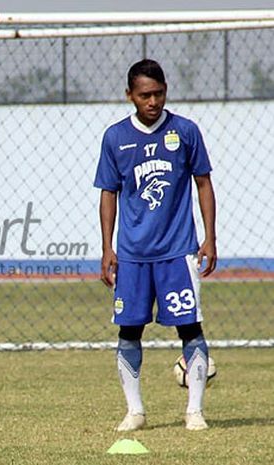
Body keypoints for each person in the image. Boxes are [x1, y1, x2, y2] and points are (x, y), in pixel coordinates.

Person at [93, 59, 217, 432]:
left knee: (190, 329)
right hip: (132, 256)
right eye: (145, 95)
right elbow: (108, 193)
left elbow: (203, 183)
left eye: (159, 93)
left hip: (178, 252)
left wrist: (209, 237)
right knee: (129, 331)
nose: (153, 101)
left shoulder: (185, 131)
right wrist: (107, 248)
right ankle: (136, 411)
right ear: (129, 95)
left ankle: (194, 411)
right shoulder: (115, 138)